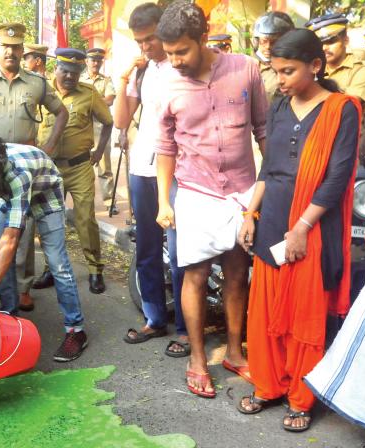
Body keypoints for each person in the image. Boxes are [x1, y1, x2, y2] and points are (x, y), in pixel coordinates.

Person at [236, 28, 361, 433]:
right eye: (276, 72)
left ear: (316, 66)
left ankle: (300, 397)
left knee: (304, 314)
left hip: (313, 226)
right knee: (268, 308)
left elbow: (337, 178)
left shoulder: (343, 109)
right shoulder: (279, 106)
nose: (281, 81)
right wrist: (248, 214)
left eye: (288, 71)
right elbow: (268, 169)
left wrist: (302, 227)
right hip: (272, 216)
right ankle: (269, 384)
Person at [154, 0, 268, 398]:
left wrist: (271, 189)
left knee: (238, 274)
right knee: (195, 275)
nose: (175, 61)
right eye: (168, 54)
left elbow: (263, 129)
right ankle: (198, 358)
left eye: (181, 51)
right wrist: (164, 202)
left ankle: (235, 352)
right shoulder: (166, 83)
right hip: (195, 191)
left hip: (241, 192)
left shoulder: (245, 69)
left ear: (203, 38)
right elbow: (165, 146)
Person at [0, 133, 89, 362]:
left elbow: (11, 239)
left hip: (45, 192)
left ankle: (76, 330)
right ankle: (9, 317)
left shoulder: (17, 174)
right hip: (9, 195)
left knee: (57, 263)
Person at [0, 23, 69, 311]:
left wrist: (47, 149)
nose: (10, 51)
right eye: (5, 46)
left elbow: (61, 113)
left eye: (16, 47)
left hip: (24, 173)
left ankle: (22, 287)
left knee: (22, 232)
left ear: (23, 51)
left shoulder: (36, 82)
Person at [113, 2, 189, 357]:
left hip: (178, 171)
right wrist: (125, 78)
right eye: (139, 42)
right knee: (146, 247)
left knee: (179, 251)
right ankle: (155, 319)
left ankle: (188, 329)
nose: (145, 47)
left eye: (150, 39)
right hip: (143, 168)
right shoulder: (142, 72)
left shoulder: (182, 66)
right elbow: (120, 121)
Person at [33, 48, 111, 294]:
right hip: (49, 168)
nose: (69, 76)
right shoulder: (42, 91)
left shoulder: (88, 93)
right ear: (56, 68)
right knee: (49, 219)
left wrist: (98, 152)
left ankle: (95, 270)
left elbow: (108, 122)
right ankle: (51, 268)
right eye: (65, 71)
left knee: (85, 218)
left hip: (79, 168)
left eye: (74, 73)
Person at [307, 13, 365, 155]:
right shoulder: (311, 69)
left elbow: (346, 107)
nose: (324, 48)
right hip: (314, 146)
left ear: (345, 40)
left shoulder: (361, 68)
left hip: (348, 147)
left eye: (330, 41)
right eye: (320, 43)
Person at [80, 47, 118, 212]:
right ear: (86, 61)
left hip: (100, 128)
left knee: (104, 166)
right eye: (92, 60)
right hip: (81, 127)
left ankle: (110, 202)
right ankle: (84, 202)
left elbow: (109, 100)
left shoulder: (106, 80)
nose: (95, 63)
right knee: (82, 166)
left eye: (98, 60)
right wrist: (98, 101)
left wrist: (89, 101)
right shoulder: (79, 79)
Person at [251, 11, 295, 104]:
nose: (268, 47)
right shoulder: (249, 66)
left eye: (274, 42)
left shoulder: (292, 70)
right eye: (264, 41)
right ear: (257, 41)